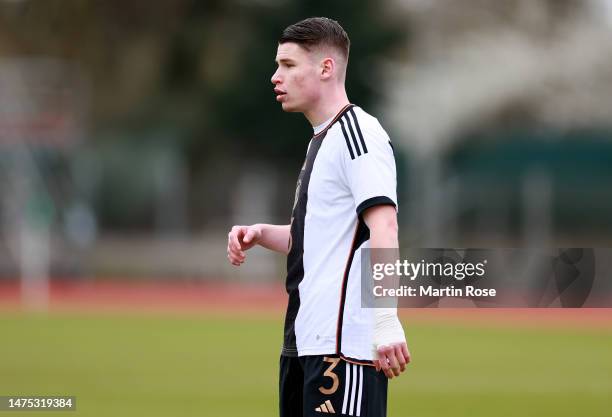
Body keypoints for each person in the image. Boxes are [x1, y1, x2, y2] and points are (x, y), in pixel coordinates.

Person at [227, 17, 410, 417]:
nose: (276, 77)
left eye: (289, 65)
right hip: (305, 342)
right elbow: (318, 238)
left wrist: (385, 321)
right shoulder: (322, 140)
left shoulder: (358, 133)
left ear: (326, 68)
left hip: (342, 350)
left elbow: (384, 226)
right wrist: (261, 233)